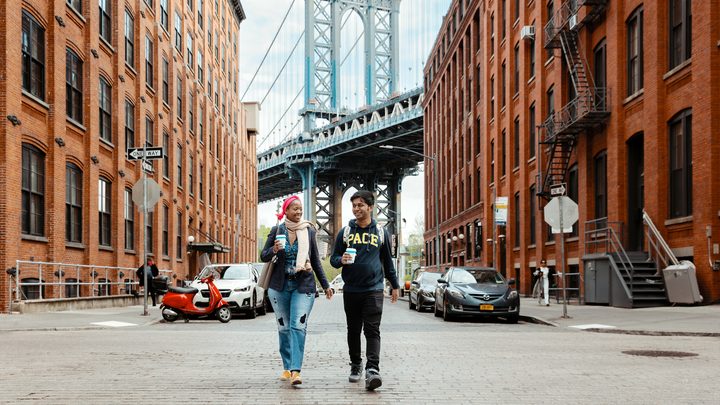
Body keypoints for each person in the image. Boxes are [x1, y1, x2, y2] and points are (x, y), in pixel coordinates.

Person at [330, 190, 400, 391]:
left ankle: (373, 369)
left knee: (372, 329)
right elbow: (334, 259)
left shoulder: (380, 232)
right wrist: (340, 260)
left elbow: (387, 261)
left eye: (360, 205)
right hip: (351, 289)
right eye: (354, 205)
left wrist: (394, 284)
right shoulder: (345, 232)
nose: (356, 209)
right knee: (353, 330)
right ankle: (356, 364)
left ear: (370, 207)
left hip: (374, 289)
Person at [260, 196, 333, 386]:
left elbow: (315, 260)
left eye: (300, 209)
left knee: (298, 327)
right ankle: (286, 366)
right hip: (279, 287)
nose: (299, 212)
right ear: (286, 211)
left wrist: (326, 285)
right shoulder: (277, 230)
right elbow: (263, 255)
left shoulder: (308, 231)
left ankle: (295, 371)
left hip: (303, 286)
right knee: (284, 328)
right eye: (295, 209)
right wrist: (274, 249)